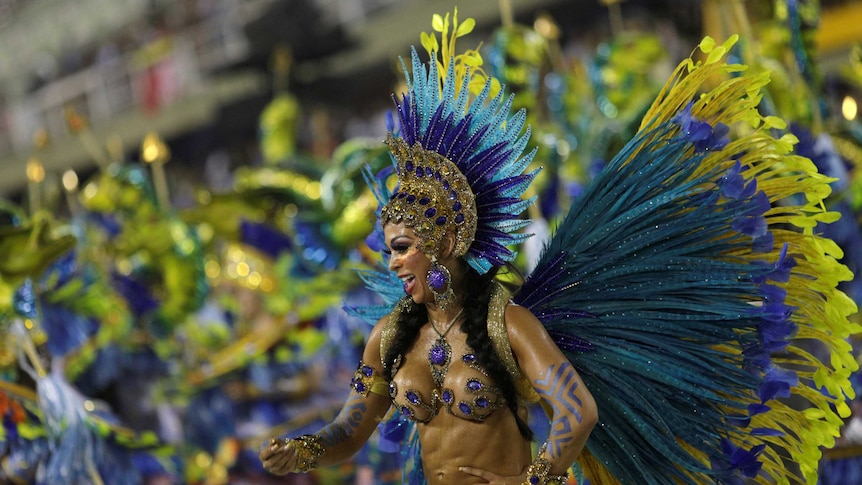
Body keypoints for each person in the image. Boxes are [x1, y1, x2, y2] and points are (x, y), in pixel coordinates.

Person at [262, 10, 858, 485]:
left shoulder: (507, 324)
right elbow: (354, 426)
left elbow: (577, 412)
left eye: (401, 248)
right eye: (390, 249)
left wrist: (541, 477)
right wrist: (306, 449)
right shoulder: (389, 335)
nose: (391, 262)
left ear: (444, 244)